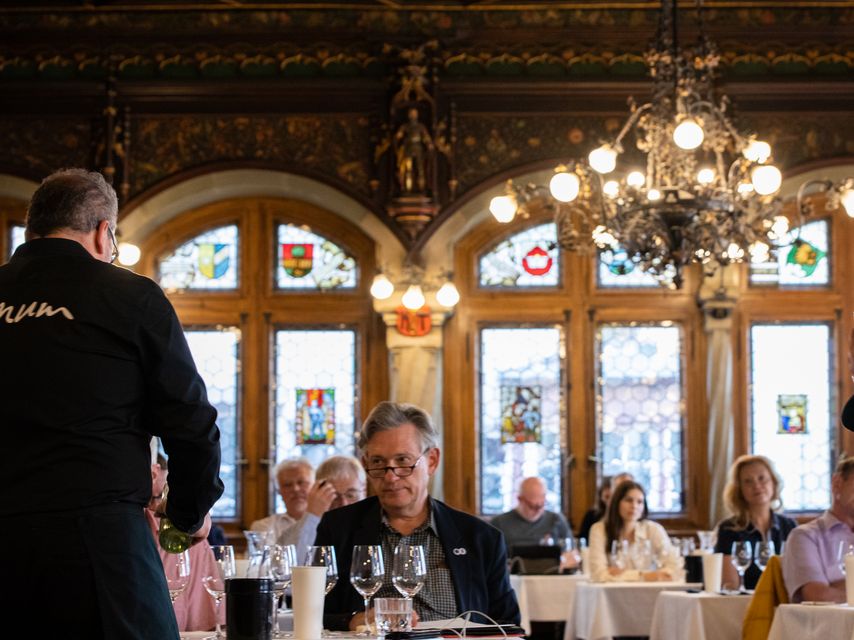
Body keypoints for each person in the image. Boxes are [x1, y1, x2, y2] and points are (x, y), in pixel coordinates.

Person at [0, 168, 223, 638]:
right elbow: (191, 422)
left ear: (32, 230)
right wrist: (186, 513)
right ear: (105, 233)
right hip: (101, 546)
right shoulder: (130, 296)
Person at [315, 401, 520, 630]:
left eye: (403, 461)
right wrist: (353, 620)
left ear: (432, 461)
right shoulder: (339, 529)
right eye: (378, 462)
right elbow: (311, 611)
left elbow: (508, 625)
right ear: (365, 464)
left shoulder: (481, 538)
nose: (391, 477)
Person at [147, 455, 223, 632]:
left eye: (162, 502)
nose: (155, 512)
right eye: (153, 500)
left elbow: (206, 627)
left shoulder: (191, 543)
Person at [714, 455, 797, 591]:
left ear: (774, 482)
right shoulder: (728, 529)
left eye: (762, 478)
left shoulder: (789, 526)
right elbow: (731, 586)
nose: (757, 486)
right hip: (745, 601)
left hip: (784, 599)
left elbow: (799, 573)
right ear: (739, 490)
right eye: (748, 481)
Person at [782, 456, 854, 603]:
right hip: (830, 619)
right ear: (837, 484)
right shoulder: (805, 536)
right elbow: (818, 596)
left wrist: (838, 586)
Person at [587, 480, 680, 582]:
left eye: (639, 502)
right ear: (616, 502)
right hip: (613, 591)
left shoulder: (653, 529)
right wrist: (649, 575)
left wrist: (636, 575)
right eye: (628, 500)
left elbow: (675, 569)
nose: (634, 506)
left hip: (649, 590)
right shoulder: (599, 530)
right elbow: (598, 575)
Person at [286, 454, 366, 561]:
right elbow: (298, 566)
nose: (344, 504)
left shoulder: (377, 525)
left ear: (364, 491)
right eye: (335, 496)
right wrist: (313, 514)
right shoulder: (299, 531)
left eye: (351, 495)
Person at [491, 477, 572, 550]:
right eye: (533, 506)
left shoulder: (556, 520)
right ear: (519, 499)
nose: (538, 510)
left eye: (541, 505)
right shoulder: (499, 524)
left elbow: (572, 553)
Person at [578, 476, 612, 542]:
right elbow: (583, 538)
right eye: (607, 497)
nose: (610, 500)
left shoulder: (621, 516)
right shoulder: (591, 515)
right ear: (600, 495)